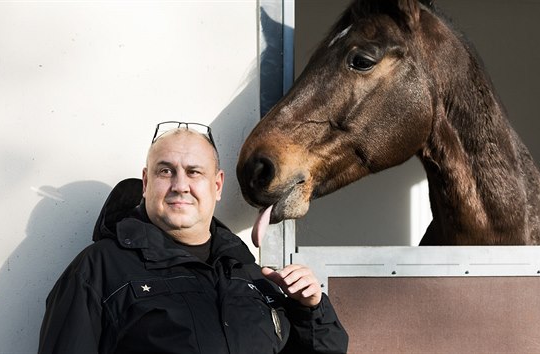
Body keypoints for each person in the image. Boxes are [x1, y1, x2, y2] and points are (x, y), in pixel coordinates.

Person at [38, 121, 348, 354]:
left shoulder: (249, 274)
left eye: (194, 172)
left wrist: (310, 309)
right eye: (165, 171)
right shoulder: (98, 271)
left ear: (217, 185)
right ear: (146, 182)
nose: (180, 185)